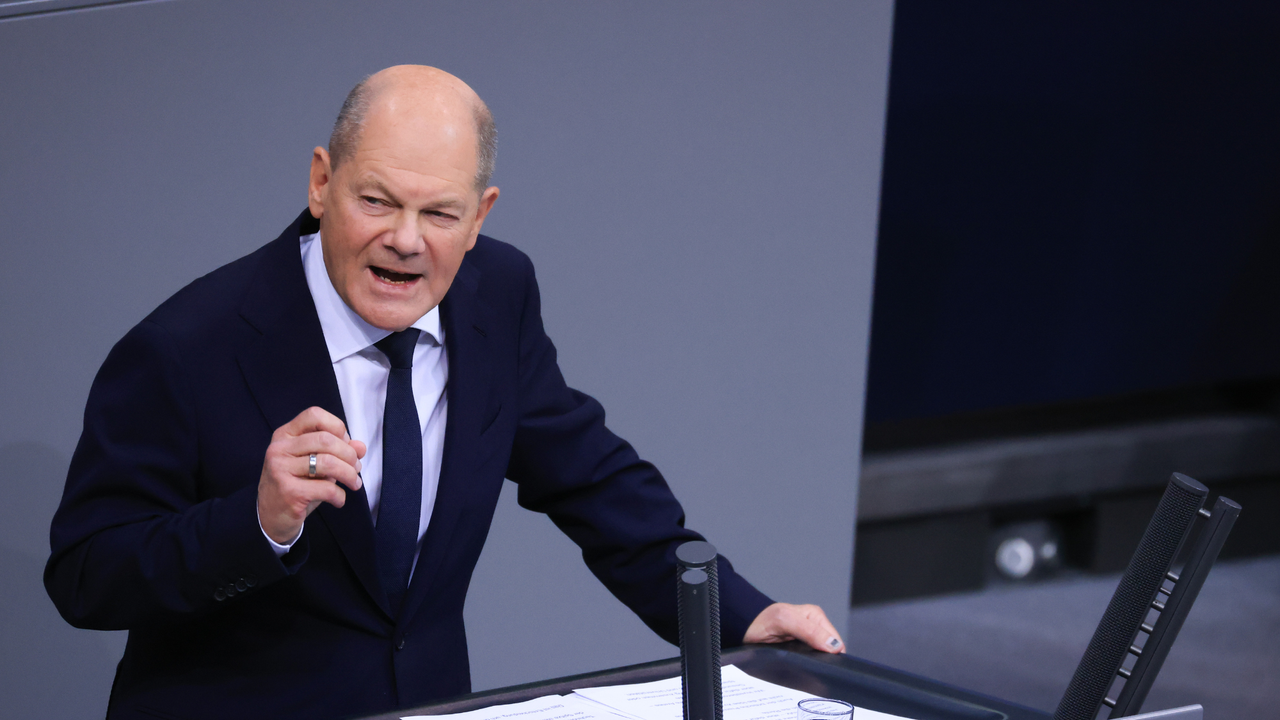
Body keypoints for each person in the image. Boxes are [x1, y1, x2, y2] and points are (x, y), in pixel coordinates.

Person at [45, 65, 843, 720]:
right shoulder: (188, 345)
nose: (405, 239)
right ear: (323, 182)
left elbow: (592, 481)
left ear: (479, 217)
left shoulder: (496, 295)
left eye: (440, 213)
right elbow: (87, 572)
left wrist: (738, 617)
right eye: (377, 201)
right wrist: (256, 523)